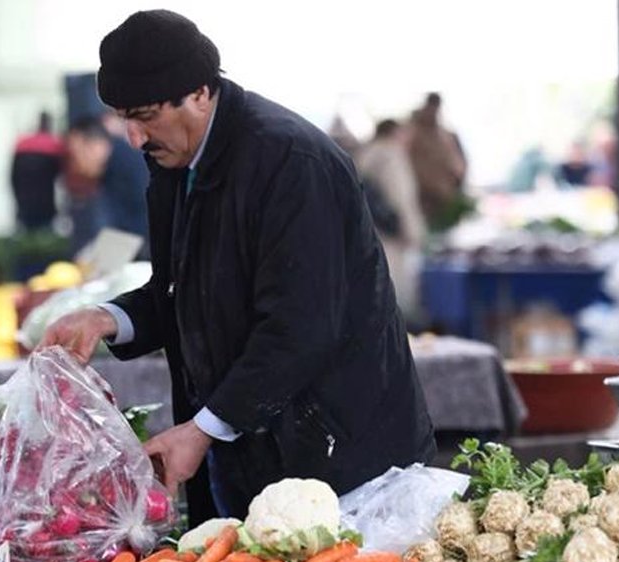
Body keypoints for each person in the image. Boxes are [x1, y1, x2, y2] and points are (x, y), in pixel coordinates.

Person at [39, 10, 435, 522]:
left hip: (342, 460)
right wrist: (108, 318)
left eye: (145, 116)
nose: (134, 139)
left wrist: (204, 429)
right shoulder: (173, 160)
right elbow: (183, 289)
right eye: (123, 120)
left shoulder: (291, 163)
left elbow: (302, 326)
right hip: (254, 453)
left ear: (200, 93)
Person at [356, 119, 427, 321]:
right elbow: (401, 197)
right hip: (393, 235)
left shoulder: (364, 155)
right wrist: (412, 231)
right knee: (396, 296)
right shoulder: (392, 156)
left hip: (372, 231)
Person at [64, 116, 151, 258]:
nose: (76, 165)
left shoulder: (129, 165)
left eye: (76, 156)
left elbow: (141, 224)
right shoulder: (109, 169)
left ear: (94, 146)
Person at [407, 93, 467, 226]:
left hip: (444, 198)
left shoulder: (445, 135)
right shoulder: (414, 134)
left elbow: (457, 165)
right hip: (424, 199)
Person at [11, 111, 65, 231]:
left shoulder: (22, 144)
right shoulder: (54, 145)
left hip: (24, 203)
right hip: (45, 203)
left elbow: (13, 178)